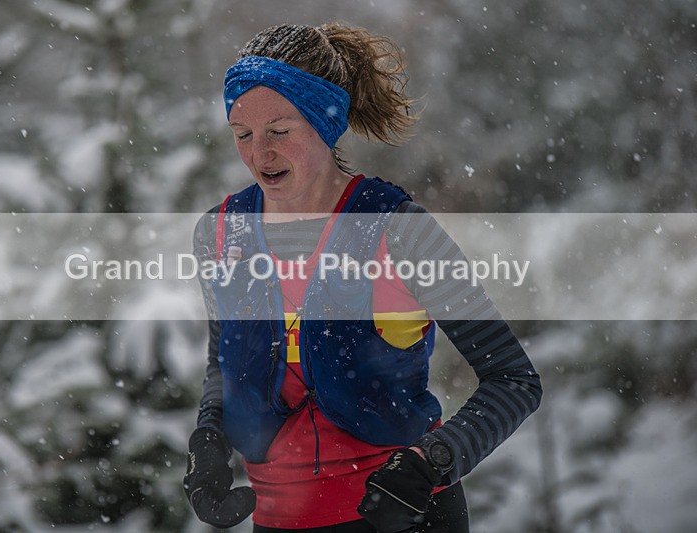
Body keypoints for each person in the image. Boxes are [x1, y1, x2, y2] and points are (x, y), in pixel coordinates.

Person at [183, 23, 542, 532]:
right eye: (243, 134)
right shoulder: (221, 234)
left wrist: (428, 464)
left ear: (326, 121)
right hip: (279, 521)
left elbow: (514, 381)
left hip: (402, 518)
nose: (259, 153)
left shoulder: (397, 229)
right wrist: (208, 444)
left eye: (280, 131)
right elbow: (225, 367)